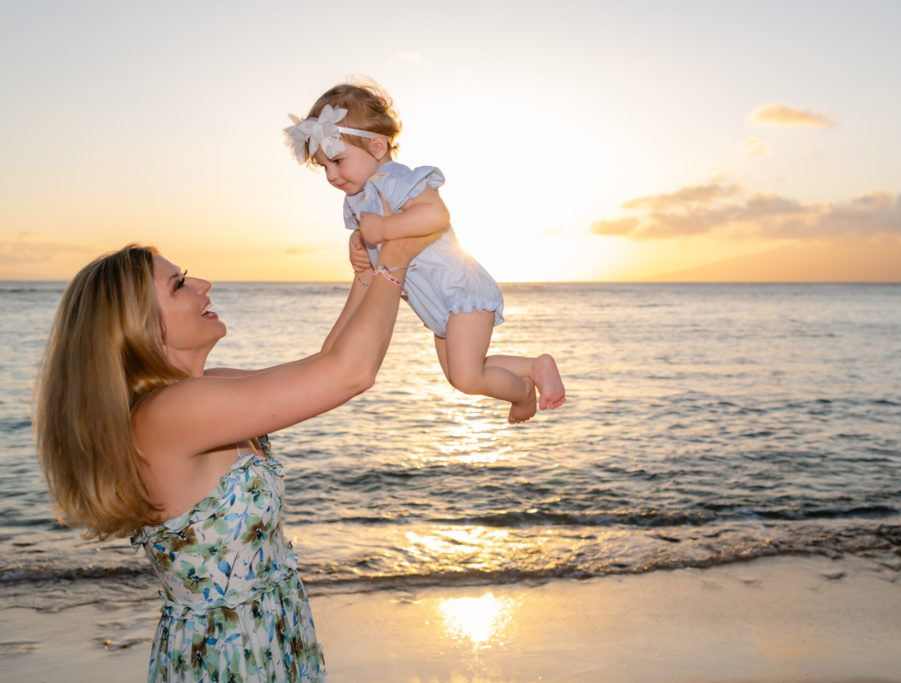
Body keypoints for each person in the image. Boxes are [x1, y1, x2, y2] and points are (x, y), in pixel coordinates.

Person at [34, 235, 435, 682]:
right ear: (138, 325)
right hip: (231, 656)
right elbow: (351, 373)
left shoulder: (202, 392)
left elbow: (326, 364)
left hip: (271, 634)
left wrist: (364, 277)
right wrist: (394, 260)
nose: (203, 284)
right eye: (180, 284)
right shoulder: (169, 414)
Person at [284, 80, 566, 424]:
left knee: (467, 377)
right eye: (324, 167)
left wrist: (381, 231)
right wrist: (357, 244)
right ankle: (531, 368)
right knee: (461, 375)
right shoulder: (357, 199)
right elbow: (372, 238)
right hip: (437, 307)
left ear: (376, 147)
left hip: (459, 290)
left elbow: (436, 215)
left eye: (338, 161)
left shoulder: (395, 178)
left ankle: (524, 391)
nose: (331, 175)